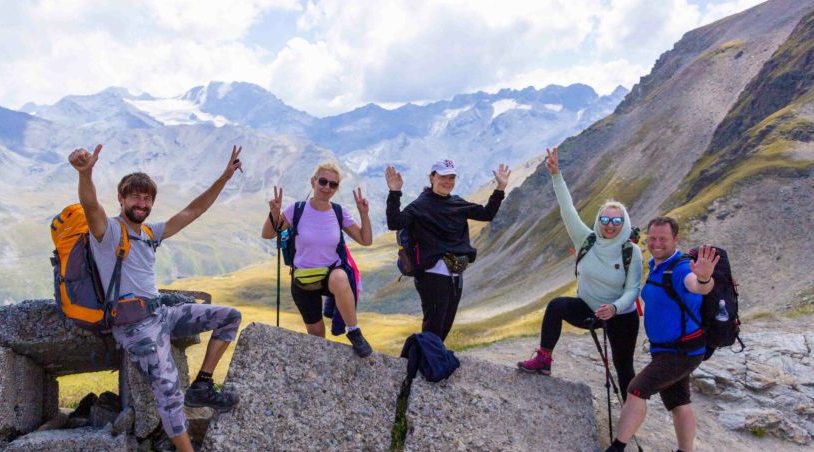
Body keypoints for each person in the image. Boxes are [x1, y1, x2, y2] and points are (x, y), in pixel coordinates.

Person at [68, 143, 244, 452]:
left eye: (147, 199)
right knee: (168, 392)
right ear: (121, 198)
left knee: (229, 317)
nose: (142, 205)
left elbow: (193, 210)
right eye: (135, 198)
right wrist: (85, 174)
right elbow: (89, 206)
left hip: (161, 315)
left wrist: (224, 178)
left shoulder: (150, 234)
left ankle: (204, 384)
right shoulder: (108, 232)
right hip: (136, 329)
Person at [589, 216, 720, 452]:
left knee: (637, 390)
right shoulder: (656, 265)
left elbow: (697, 285)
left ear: (676, 240)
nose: (657, 243)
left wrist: (704, 279)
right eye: (653, 238)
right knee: (679, 401)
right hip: (675, 349)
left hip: (679, 352)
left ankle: (616, 451)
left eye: (664, 239)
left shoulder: (681, 269)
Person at [518, 147, 642, 398]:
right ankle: (544, 359)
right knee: (556, 306)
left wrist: (615, 308)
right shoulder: (586, 239)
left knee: (624, 367)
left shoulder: (632, 251)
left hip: (621, 316)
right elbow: (568, 210)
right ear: (598, 220)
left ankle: (631, 409)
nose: (610, 225)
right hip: (590, 309)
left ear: (625, 223)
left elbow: (633, 290)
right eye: (605, 220)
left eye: (617, 221)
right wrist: (556, 175)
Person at [385, 159, 509, 341]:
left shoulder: (457, 203)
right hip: (431, 277)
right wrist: (395, 192)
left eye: (452, 177)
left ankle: (428, 362)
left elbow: (487, 214)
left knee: (443, 328)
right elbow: (394, 222)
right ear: (432, 177)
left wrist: (501, 187)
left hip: (455, 275)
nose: (448, 181)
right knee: (433, 328)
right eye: (443, 176)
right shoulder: (420, 205)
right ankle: (421, 365)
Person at [260, 162, 374, 357]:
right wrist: (275, 213)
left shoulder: (339, 212)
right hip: (304, 279)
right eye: (323, 181)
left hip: (331, 274)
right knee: (316, 335)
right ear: (313, 182)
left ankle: (354, 331)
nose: (327, 187)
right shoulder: (296, 210)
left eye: (333, 184)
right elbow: (268, 234)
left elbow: (365, 240)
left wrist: (364, 214)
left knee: (340, 278)